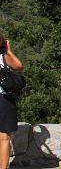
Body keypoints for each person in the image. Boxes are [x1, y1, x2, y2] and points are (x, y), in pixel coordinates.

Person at [0, 33, 23, 169]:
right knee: (4, 138)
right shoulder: (3, 58)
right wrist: (8, 50)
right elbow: (19, 66)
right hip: (3, 99)